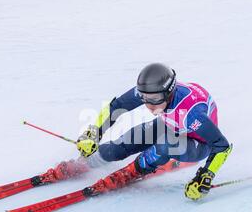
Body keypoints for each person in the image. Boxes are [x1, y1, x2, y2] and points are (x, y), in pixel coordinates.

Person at [76, 63, 232, 201]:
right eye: (144, 98)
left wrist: (206, 176)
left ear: (169, 92)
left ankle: (135, 170)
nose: (149, 104)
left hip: (199, 143)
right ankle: (89, 161)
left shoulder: (191, 114)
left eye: (155, 99)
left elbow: (222, 147)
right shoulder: (151, 91)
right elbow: (116, 106)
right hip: (172, 123)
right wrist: (95, 132)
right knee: (130, 139)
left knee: (166, 146)